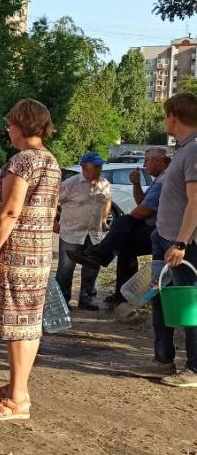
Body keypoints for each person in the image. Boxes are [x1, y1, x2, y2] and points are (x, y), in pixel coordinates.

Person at [0, 99, 60, 421]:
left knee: (17, 325)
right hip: (36, 254)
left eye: (10, 123)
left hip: (16, 254)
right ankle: (15, 386)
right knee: (27, 323)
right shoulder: (49, 160)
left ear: (21, 125)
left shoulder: (23, 161)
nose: (8, 129)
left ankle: (18, 400)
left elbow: (10, 211)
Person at [124, 92, 197, 386]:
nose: (165, 120)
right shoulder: (182, 149)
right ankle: (163, 361)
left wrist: (181, 242)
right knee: (161, 299)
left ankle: (194, 368)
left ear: (173, 116)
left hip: (183, 245)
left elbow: (195, 201)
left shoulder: (194, 150)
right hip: (165, 237)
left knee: (189, 302)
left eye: (166, 115)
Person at [67, 148, 171, 304]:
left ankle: (99, 255)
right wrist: (136, 184)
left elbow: (142, 211)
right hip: (155, 229)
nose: (144, 164)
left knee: (124, 222)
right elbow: (142, 202)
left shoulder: (165, 180)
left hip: (161, 233)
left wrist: (128, 220)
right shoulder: (160, 179)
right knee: (125, 248)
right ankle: (122, 295)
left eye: (147, 160)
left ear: (158, 160)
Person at [54, 152, 111, 311]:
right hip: (71, 233)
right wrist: (54, 221)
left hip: (93, 234)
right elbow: (52, 201)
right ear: (84, 167)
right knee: (65, 269)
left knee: (92, 267)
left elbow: (107, 200)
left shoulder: (104, 184)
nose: (100, 169)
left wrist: (104, 219)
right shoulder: (70, 184)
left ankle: (87, 299)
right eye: (96, 166)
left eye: (100, 166)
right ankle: (63, 302)